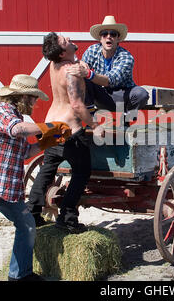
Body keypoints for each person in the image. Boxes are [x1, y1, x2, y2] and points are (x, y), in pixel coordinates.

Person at [0, 74, 71, 281]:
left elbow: (25, 152)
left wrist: (49, 142)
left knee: (27, 225)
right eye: (33, 98)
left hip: (6, 187)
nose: (35, 103)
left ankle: (20, 275)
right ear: (23, 97)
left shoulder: (16, 116)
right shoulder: (1, 111)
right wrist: (52, 126)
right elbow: (17, 130)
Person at [27, 32, 105, 233]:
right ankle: (68, 218)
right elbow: (78, 105)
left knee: (47, 170)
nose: (69, 38)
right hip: (68, 130)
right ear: (62, 53)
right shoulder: (71, 72)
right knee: (81, 172)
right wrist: (96, 126)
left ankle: (32, 215)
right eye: (65, 41)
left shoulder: (53, 65)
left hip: (51, 124)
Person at [68, 15, 149, 125]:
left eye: (113, 34)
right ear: (100, 39)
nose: (108, 37)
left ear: (118, 38)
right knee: (83, 76)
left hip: (122, 97)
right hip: (101, 95)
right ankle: (90, 115)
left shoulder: (126, 57)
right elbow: (82, 68)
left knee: (141, 94)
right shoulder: (92, 50)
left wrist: (88, 73)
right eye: (104, 34)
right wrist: (81, 63)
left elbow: (111, 80)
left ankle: (127, 119)